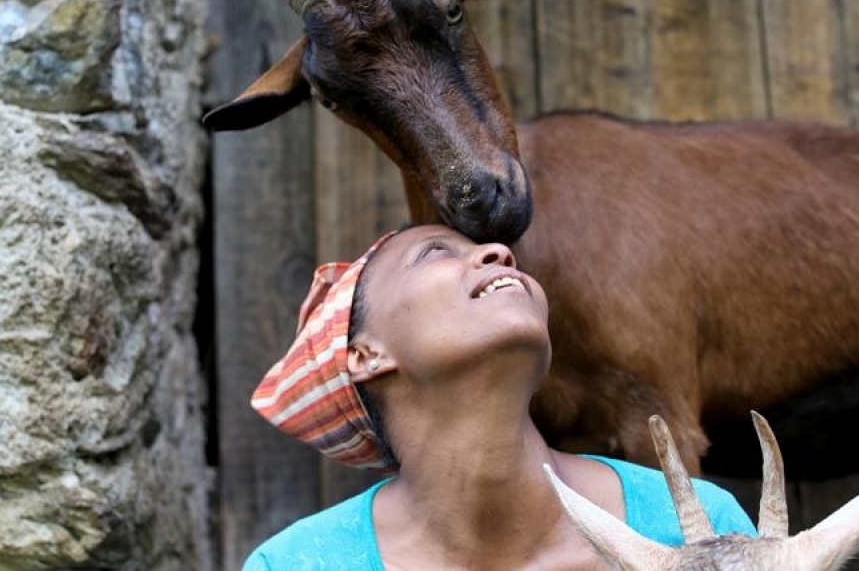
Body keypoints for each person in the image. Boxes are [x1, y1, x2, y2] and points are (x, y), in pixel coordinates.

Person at [244, 225, 755, 570]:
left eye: (491, 250)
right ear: (364, 354)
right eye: (436, 252)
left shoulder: (702, 526)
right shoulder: (298, 563)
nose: (499, 253)